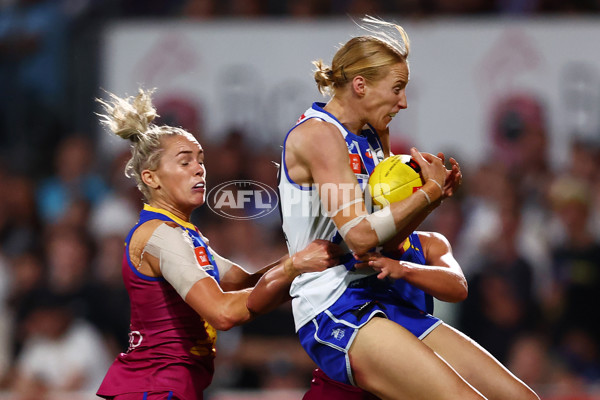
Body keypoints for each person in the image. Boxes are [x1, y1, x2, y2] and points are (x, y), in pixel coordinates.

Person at [267, 16, 540, 400]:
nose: (404, 102)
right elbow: (360, 236)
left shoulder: (371, 135)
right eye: (397, 89)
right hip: (336, 308)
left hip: (384, 296)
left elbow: (387, 234)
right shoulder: (318, 136)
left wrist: (434, 196)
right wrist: (426, 194)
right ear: (360, 86)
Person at [93, 89, 341, 400]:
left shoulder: (183, 234)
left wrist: (312, 258)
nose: (199, 169)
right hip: (154, 389)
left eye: (200, 160)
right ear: (151, 178)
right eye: (185, 162)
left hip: (168, 387)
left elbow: (245, 282)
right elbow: (224, 312)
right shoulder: (161, 236)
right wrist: (295, 266)